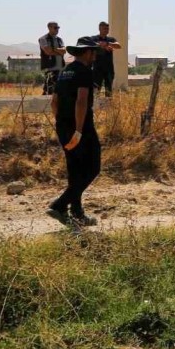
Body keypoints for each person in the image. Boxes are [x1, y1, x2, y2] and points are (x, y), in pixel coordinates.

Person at [46, 37, 104, 227]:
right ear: (87, 52)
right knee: (93, 167)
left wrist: (63, 124)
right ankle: (59, 205)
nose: (95, 56)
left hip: (63, 126)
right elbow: (81, 101)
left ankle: (77, 213)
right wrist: (78, 130)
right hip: (81, 128)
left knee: (75, 169)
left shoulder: (65, 71)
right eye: (93, 52)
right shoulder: (84, 71)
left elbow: (54, 102)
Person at [90, 21, 121, 98]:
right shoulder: (94, 38)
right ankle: (96, 103)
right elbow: (91, 44)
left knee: (109, 89)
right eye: (104, 28)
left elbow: (118, 46)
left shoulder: (111, 39)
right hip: (97, 68)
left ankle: (108, 104)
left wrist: (107, 44)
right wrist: (103, 46)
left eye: (107, 29)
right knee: (96, 89)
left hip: (109, 68)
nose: (106, 30)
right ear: (99, 29)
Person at [38, 22, 65, 95]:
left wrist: (53, 49)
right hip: (49, 68)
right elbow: (47, 51)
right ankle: (44, 101)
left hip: (60, 68)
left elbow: (64, 51)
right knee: (49, 89)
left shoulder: (59, 39)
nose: (57, 29)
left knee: (60, 90)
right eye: (55, 28)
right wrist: (59, 51)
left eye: (58, 28)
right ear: (49, 28)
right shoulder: (43, 39)